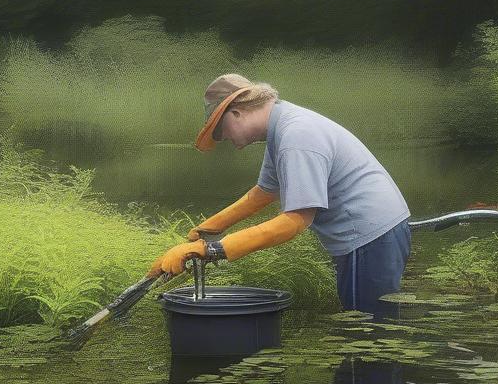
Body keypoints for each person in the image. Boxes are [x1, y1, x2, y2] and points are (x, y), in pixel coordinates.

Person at [148, 73, 413, 316]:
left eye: (220, 129)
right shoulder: (282, 128)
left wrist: (211, 250)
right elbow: (264, 192)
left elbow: (295, 221)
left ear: (236, 112)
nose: (223, 139)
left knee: (367, 333)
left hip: (368, 236)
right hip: (374, 232)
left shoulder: (296, 135)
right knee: (368, 331)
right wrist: (206, 229)